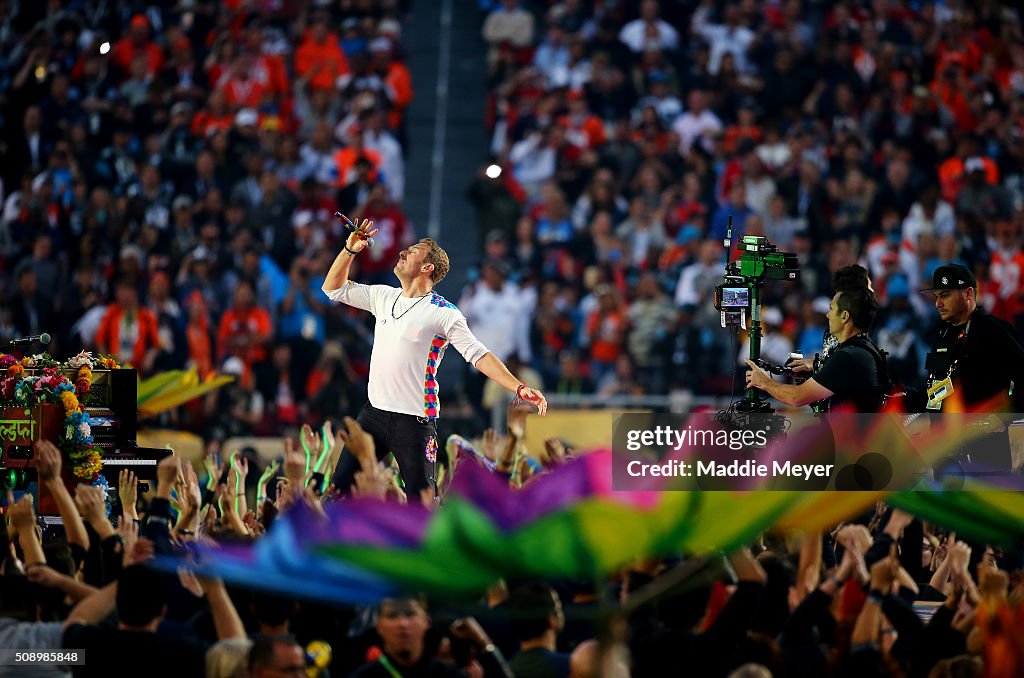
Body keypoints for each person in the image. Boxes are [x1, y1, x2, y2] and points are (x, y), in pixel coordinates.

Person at [322, 220, 547, 497]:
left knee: (423, 504)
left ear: (427, 267)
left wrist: (519, 387)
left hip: (414, 422)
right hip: (373, 414)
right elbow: (333, 288)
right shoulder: (382, 295)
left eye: (413, 250)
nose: (403, 252)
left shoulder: (443, 312)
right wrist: (349, 250)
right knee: (335, 492)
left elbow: (478, 355)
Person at [745, 286, 887, 413]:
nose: (827, 315)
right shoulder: (863, 349)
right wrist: (817, 364)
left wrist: (764, 381)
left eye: (831, 309)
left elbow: (797, 398)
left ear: (844, 316)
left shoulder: (847, 357)